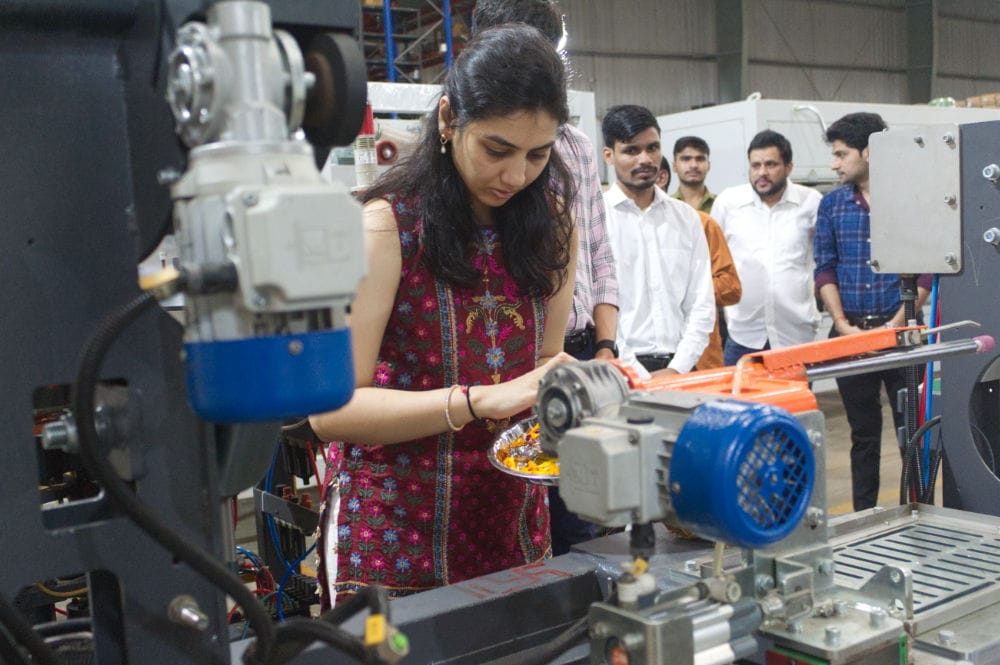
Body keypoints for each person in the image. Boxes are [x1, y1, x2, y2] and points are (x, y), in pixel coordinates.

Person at [308, 25, 578, 604]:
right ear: (449, 120)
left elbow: (548, 356)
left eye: (538, 154)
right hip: (395, 534)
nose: (515, 176)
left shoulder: (552, 223)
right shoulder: (388, 226)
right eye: (496, 150)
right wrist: (480, 400)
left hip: (513, 523)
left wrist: (576, 383)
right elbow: (330, 412)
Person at [472, 0, 617, 555]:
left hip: (567, 352)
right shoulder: (458, 150)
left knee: (579, 523)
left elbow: (599, 254)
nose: (517, 172)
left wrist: (604, 344)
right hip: (493, 361)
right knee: (501, 524)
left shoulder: (575, 149)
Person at [814, 112, 931, 511]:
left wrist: (899, 321)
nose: (834, 163)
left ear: (869, 151)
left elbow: (929, 265)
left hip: (902, 337)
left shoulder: (908, 200)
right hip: (849, 338)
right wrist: (842, 325)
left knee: (910, 431)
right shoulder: (832, 205)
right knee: (863, 435)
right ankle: (864, 518)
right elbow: (824, 267)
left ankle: (919, 509)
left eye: (841, 154)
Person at [602, 104, 714, 375]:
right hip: (617, 369)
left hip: (683, 366)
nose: (645, 159)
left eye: (652, 148)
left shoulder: (687, 218)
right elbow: (594, 310)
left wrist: (677, 368)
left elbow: (701, 303)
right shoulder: (595, 219)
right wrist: (637, 373)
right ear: (609, 155)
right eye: (631, 150)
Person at [710, 130, 822, 366]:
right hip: (743, 335)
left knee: (796, 403)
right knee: (739, 403)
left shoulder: (811, 202)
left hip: (796, 334)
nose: (762, 173)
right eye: (755, 165)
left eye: (771, 164)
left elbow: (827, 260)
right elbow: (711, 260)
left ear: (788, 167)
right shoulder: (729, 203)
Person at [657, 157, 742, 370]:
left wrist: (686, 288)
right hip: (634, 361)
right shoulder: (614, 225)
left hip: (700, 358)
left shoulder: (701, 223)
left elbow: (731, 287)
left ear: (662, 177)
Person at [671, 136, 715, 213]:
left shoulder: (720, 204)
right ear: (674, 166)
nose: (693, 165)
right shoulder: (666, 207)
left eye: (700, 159)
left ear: (708, 166)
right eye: (686, 159)